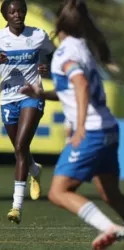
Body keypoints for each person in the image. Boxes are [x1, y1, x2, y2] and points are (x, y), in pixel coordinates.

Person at [20, 1, 124, 249]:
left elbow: (81, 85)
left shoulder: (65, 53)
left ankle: (109, 228)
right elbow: (73, 89)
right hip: (108, 129)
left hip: (92, 131)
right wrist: (42, 94)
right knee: (111, 194)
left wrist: (80, 126)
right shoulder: (83, 48)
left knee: (58, 192)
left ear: (58, 24)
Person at [0, 0, 55, 224]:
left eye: (21, 11)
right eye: (12, 12)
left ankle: (16, 207)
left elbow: (52, 54)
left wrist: (45, 65)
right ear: (5, 15)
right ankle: (34, 169)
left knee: (21, 146)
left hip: (32, 96)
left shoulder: (38, 35)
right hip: (7, 99)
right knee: (19, 149)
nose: (17, 15)